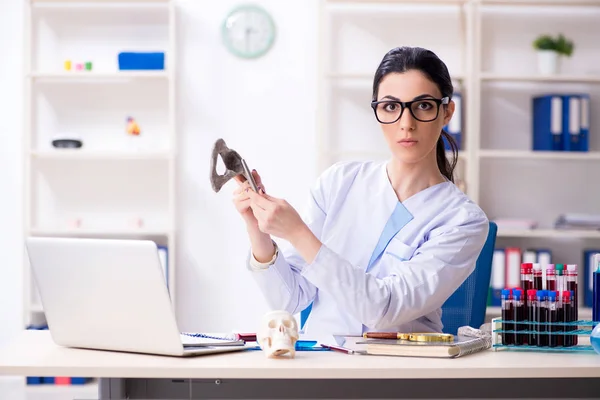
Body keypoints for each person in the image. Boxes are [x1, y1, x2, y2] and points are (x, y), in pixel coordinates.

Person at [232, 46, 489, 336]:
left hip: (399, 370)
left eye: (423, 106)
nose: (407, 124)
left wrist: (297, 232)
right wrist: (258, 230)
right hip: (320, 363)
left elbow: (384, 309)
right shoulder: (339, 182)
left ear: (447, 112)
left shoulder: (462, 220)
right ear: (377, 111)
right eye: (391, 107)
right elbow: (289, 299)